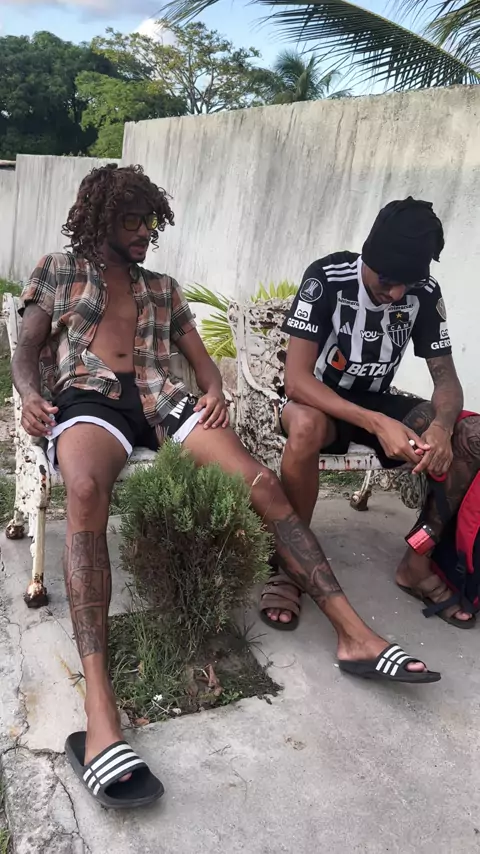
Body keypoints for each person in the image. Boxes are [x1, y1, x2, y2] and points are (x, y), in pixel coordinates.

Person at [13, 168, 439, 810]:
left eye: (150, 222)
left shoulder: (163, 287)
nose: (144, 233)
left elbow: (202, 363)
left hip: (161, 399)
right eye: (132, 221)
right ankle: (100, 714)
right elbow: (27, 347)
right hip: (88, 398)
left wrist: (212, 391)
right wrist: (28, 394)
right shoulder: (58, 269)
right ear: (100, 220)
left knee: (262, 484)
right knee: (85, 490)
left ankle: (353, 633)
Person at [260, 197, 480, 634]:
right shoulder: (327, 278)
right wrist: (376, 424)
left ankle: (417, 561)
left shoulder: (424, 292)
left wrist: (441, 426)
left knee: (471, 433)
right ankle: (291, 567)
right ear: (368, 255)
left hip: (378, 399)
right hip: (320, 400)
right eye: (388, 280)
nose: (396, 293)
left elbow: (447, 381)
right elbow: (297, 380)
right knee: (304, 427)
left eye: (407, 284)